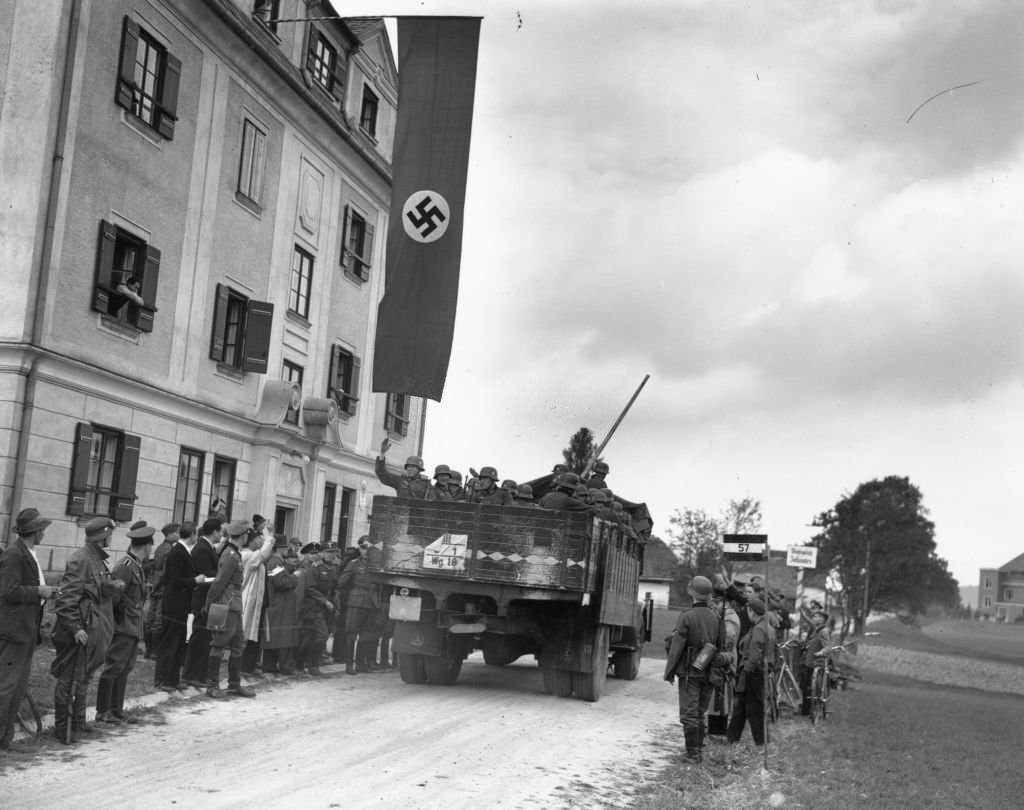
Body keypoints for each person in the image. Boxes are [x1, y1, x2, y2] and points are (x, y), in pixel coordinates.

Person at [51, 517, 125, 744]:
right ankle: (63, 728)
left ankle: (79, 723)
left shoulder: (98, 560)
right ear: (103, 535)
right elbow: (66, 599)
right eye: (110, 534)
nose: (111, 537)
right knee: (69, 678)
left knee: (84, 677)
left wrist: (110, 587)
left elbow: (93, 589)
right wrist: (74, 628)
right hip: (82, 630)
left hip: (96, 629)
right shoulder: (81, 559)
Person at [0, 508, 57, 752]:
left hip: (26, 630)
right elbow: (9, 591)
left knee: (17, 689)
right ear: (34, 532)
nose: (44, 532)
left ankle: (5, 739)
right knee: (5, 687)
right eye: (42, 529)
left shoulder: (27, 553)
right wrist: (38, 592)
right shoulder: (15, 555)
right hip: (14, 631)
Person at [95, 522, 154, 724]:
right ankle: (103, 711)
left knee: (125, 666)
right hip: (123, 625)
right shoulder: (125, 567)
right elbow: (114, 599)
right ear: (146, 546)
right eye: (150, 546)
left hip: (132, 624)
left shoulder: (136, 566)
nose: (150, 550)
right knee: (114, 666)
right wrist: (117, 624)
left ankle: (116, 708)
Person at [664, 575, 723, 763]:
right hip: (710, 671)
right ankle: (697, 752)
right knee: (700, 712)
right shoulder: (717, 618)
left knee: (689, 714)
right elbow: (722, 646)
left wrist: (670, 672)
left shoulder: (687, 617)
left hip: (690, 672)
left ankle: (693, 755)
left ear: (692, 593)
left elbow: (676, 648)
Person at [204, 520, 255, 699]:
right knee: (219, 643)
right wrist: (208, 602)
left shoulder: (235, 554)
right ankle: (212, 685)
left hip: (234, 605)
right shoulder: (230, 555)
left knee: (238, 643)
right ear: (243, 535)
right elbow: (219, 582)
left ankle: (234, 683)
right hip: (226, 605)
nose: (248, 537)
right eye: (247, 534)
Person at [155, 522, 205, 691]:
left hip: (181, 605)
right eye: (195, 535)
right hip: (174, 605)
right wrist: (194, 581)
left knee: (178, 643)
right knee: (170, 643)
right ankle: (163, 680)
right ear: (191, 535)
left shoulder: (183, 552)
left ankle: (173, 679)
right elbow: (173, 579)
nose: (196, 538)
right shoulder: (177, 553)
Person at [727, 597, 777, 747]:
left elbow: (755, 654)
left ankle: (761, 742)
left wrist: (745, 672)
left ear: (752, 611)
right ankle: (732, 737)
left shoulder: (759, 629)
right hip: (760, 671)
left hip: (753, 672)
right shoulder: (767, 627)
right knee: (741, 707)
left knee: (754, 709)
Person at [181, 518, 221, 687]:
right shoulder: (203, 549)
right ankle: (192, 675)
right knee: (199, 638)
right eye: (219, 531)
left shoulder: (207, 547)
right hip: (201, 599)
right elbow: (207, 574)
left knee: (204, 638)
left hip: (206, 599)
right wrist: (221, 578)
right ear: (214, 532)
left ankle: (199, 674)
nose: (221, 534)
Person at [338, 536, 380, 674]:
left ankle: (361, 664)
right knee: (351, 633)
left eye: (368, 548)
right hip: (356, 601)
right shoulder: (354, 564)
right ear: (359, 549)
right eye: (362, 548)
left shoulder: (378, 564)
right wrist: (346, 598)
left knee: (366, 634)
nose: (365, 551)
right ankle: (349, 664)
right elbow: (341, 582)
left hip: (372, 601)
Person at [239, 520, 274, 676]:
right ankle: (243, 667)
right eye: (258, 538)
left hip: (257, 601)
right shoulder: (246, 555)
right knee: (246, 634)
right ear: (251, 541)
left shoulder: (253, 555)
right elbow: (263, 554)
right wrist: (269, 537)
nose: (261, 541)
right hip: (247, 599)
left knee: (255, 635)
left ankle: (250, 667)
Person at [263, 535, 299, 675]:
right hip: (280, 603)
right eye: (285, 547)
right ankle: (285, 666)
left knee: (272, 637)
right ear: (280, 548)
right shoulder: (276, 562)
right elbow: (282, 583)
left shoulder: (274, 561)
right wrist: (295, 576)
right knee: (283, 637)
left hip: (276, 603)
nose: (287, 550)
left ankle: (270, 665)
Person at [295, 543, 333, 676]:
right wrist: (325, 601)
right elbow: (308, 589)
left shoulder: (313, 567)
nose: (314, 556)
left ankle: (308, 665)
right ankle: (305, 664)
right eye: (311, 554)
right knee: (316, 635)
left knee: (311, 637)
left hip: (315, 607)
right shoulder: (303, 568)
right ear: (305, 555)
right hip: (308, 607)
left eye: (316, 553)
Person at [145, 522, 178, 664]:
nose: (178, 534)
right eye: (176, 532)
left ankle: (149, 650)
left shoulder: (162, 547)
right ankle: (154, 651)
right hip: (161, 588)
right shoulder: (168, 550)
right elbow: (163, 571)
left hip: (156, 586)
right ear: (170, 534)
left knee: (151, 619)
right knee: (157, 620)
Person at [331, 547, 360, 664]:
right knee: (345, 629)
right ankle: (341, 655)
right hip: (347, 599)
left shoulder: (343, 564)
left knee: (341, 628)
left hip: (343, 598)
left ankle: (338, 655)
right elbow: (341, 582)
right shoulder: (352, 564)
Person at [798, 611, 830, 715]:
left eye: (816, 616)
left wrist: (821, 652)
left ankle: (806, 710)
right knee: (804, 686)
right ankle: (805, 709)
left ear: (822, 619)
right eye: (813, 616)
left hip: (816, 663)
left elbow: (827, 646)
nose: (813, 618)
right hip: (809, 661)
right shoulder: (816, 630)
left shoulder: (823, 631)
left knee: (807, 687)